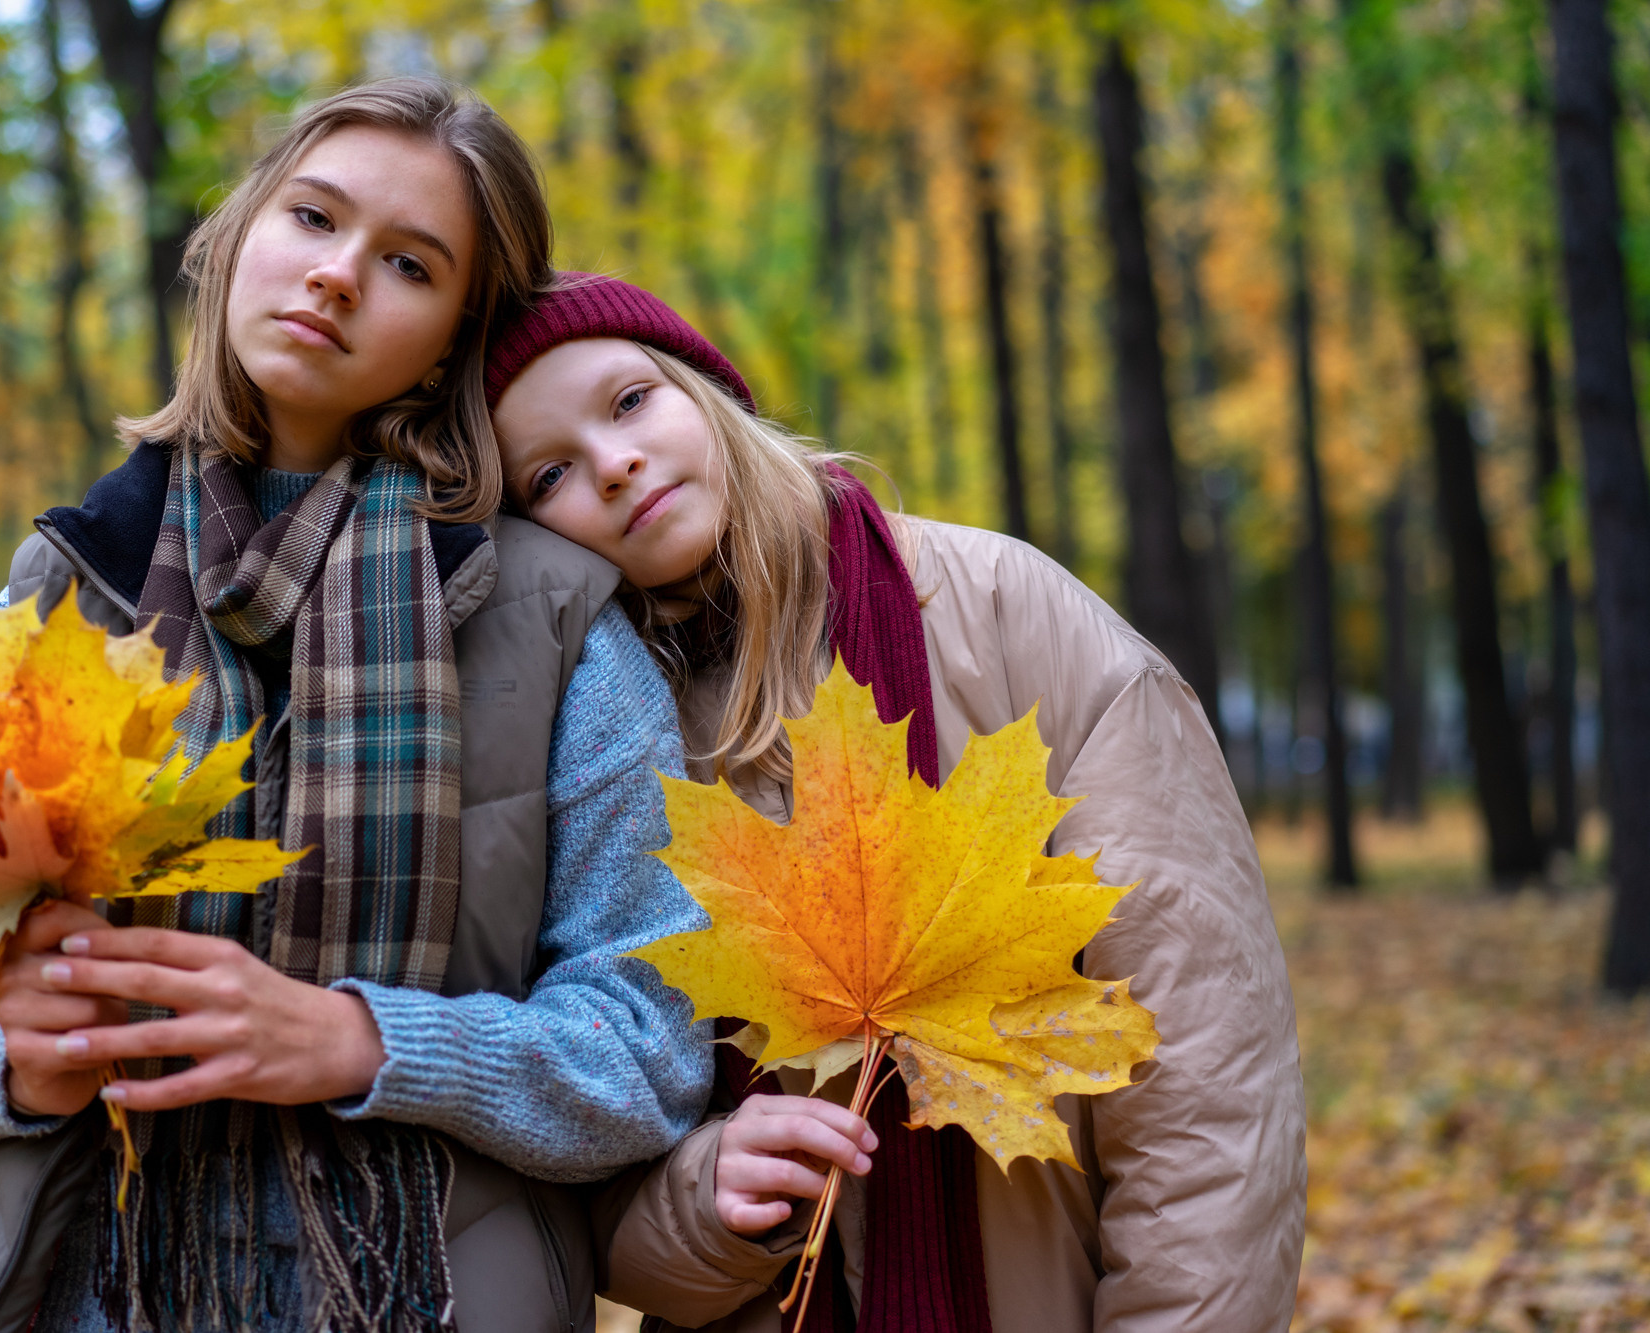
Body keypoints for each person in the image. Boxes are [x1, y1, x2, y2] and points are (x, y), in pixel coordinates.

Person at [0, 85, 712, 1333]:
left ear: (454, 334)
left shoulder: (555, 617)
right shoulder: (57, 593)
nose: (338, 276)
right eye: (313, 217)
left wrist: (363, 1042)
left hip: (430, 1291)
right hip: (83, 1286)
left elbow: (649, 1054)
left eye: (408, 262)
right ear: (238, 235)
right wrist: (15, 1064)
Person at [483, 275, 1307, 1332]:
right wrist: (706, 1203)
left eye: (630, 400)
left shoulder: (1002, 615)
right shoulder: (593, 754)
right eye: (547, 473)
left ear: (703, 390)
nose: (613, 463)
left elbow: (1206, 1086)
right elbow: (592, 1185)